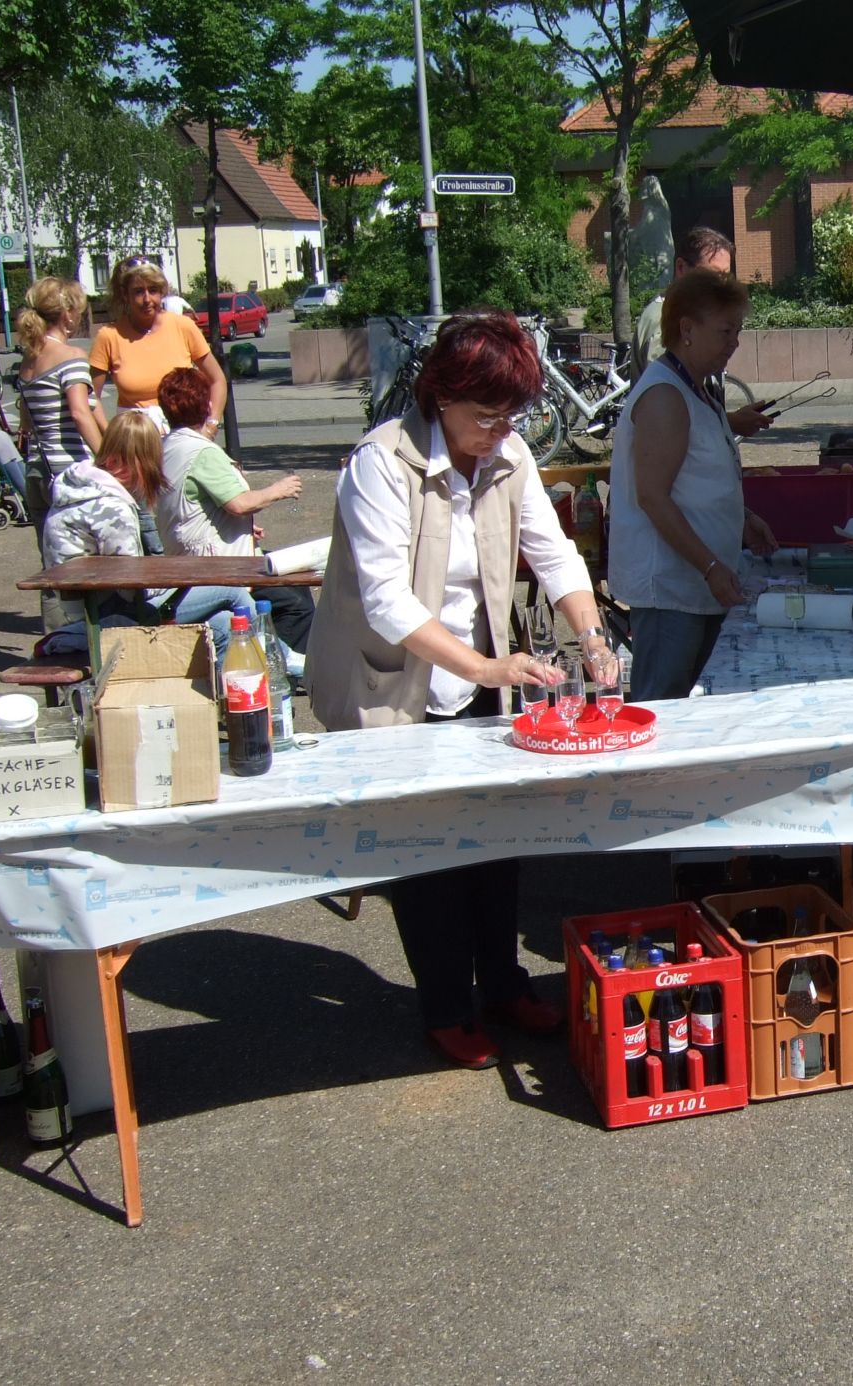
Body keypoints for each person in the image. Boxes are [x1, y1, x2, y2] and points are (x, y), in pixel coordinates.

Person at [306, 310, 610, 1070]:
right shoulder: (381, 462)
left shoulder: (508, 458)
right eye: (487, 416)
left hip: (480, 676)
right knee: (427, 853)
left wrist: (594, 635)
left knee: (497, 841)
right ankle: (445, 1004)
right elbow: (386, 599)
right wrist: (483, 670)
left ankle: (503, 982)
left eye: (513, 416)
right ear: (442, 396)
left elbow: (554, 553)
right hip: (391, 685)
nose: (501, 431)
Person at [609, 269, 779, 700]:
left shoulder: (697, 388)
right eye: (725, 331)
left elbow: (700, 479)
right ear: (687, 329)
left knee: (683, 704)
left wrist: (742, 519)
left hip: (696, 583)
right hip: (671, 588)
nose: (734, 343)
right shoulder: (665, 395)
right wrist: (709, 566)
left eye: (737, 330)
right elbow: (653, 496)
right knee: (663, 708)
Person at [39, 413, 253, 660]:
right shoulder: (111, 507)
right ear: (144, 460)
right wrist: (179, 576)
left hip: (84, 608)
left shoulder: (79, 486)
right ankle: (277, 661)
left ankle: (232, 691)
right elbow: (133, 589)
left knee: (224, 622)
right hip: (110, 616)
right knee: (233, 592)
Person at [152, 366, 315, 665]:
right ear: (206, 405)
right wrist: (278, 490)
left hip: (190, 559)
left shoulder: (167, 447)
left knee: (295, 585)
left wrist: (241, 527)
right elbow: (238, 503)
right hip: (218, 567)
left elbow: (191, 507)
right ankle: (290, 666)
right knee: (294, 601)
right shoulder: (202, 453)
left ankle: (290, 660)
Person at [631, 226, 772, 438]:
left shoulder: (693, 312)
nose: (721, 286)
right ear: (681, 268)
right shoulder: (663, 319)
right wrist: (730, 422)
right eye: (713, 275)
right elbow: (670, 413)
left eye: (726, 276)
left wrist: (728, 421)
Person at [14, 277, 108, 554]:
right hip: (68, 471)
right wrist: (107, 460)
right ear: (68, 314)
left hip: (36, 471)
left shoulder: (29, 360)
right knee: (89, 559)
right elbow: (80, 413)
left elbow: (27, 419)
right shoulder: (71, 356)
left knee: (52, 565)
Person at [90, 255, 227, 441]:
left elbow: (217, 379)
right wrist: (110, 437)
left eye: (153, 290)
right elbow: (91, 398)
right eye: (138, 292)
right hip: (136, 442)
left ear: (162, 291)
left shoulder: (183, 326)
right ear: (125, 294)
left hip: (184, 438)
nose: (147, 299)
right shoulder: (109, 336)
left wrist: (211, 426)